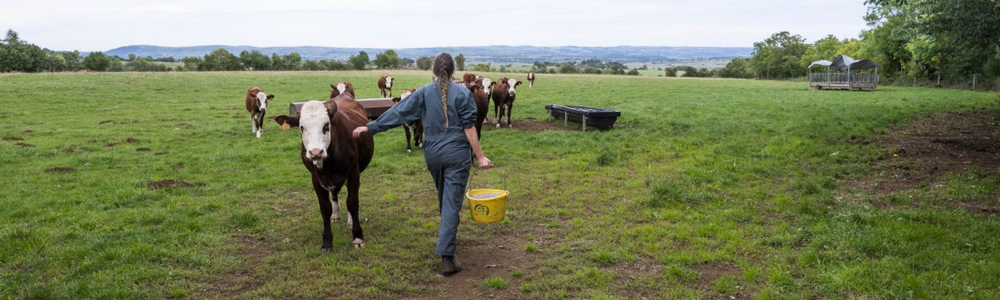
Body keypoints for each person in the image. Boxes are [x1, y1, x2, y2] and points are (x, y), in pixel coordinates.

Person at [352, 53, 493, 276]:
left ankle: (448, 229)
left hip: (433, 153)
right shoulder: (464, 93)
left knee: (445, 196)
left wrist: (372, 126)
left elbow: (400, 112)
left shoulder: (424, 93)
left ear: (434, 72)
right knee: (451, 201)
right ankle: (447, 258)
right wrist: (481, 156)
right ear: (454, 71)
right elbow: (469, 127)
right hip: (457, 153)